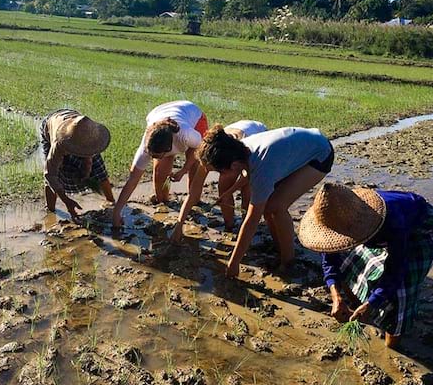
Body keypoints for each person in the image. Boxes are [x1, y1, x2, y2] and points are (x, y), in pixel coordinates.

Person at [171, 125, 333, 277]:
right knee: (269, 207)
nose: (219, 175)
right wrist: (229, 191)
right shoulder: (239, 150)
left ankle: (288, 262)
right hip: (297, 149)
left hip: (320, 154)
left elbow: (251, 221)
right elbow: (248, 173)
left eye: (219, 171)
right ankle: (280, 247)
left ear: (232, 166)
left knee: (276, 207)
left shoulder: (262, 166)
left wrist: (234, 263)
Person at [298, 183, 433, 349]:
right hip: (384, 231)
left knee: (401, 289)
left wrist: (373, 303)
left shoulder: (387, 219)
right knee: (350, 260)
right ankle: (356, 305)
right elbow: (329, 259)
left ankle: (393, 344)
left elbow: (396, 269)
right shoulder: (335, 214)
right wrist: (335, 296)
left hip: (422, 229)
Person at [113, 101, 208, 227]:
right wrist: (117, 211)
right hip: (160, 113)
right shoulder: (147, 145)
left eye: (157, 156)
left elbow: (198, 150)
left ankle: (193, 201)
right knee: (160, 173)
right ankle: (162, 201)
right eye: (152, 156)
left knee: (194, 167)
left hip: (194, 117)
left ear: (169, 149)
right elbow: (132, 179)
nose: (153, 158)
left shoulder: (187, 135)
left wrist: (183, 170)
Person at [41, 108, 114, 219]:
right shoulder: (59, 143)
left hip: (73, 121)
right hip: (52, 124)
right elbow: (50, 174)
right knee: (54, 175)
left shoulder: (90, 133)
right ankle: (50, 210)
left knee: (99, 169)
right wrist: (66, 201)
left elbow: (91, 160)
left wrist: (87, 171)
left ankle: (111, 201)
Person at [218, 120, 268, 230]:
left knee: (247, 191)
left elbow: (248, 176)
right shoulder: (218, 149)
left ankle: (246, 225)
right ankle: (229, 225)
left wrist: (229, 192)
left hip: (256, 134)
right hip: (235, 137)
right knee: (223, 187)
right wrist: (225, 193)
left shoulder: (247, 148)